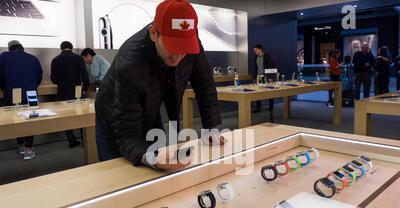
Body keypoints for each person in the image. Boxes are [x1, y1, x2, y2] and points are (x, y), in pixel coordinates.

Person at [95, 0, 225, 171]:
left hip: (149, 109)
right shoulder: (130, 62)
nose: (178, 57)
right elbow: (126, 133)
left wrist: (212, 128)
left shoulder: (191, 42)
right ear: (153, 34)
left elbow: (204, 83)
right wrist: (151, 159)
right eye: (173, 48)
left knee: (163, 165)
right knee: (119, 176)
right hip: (114, 118)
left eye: (184, 48)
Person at [0, 40, 42, 160]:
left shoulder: (3, 57)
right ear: (22, 48)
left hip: (11, 94)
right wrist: (32, 85)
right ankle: (29, 150)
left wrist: (4, 87)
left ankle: (21, 146)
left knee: (15, 120)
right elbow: (39, 76)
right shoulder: (33, 58)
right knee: (30, 120)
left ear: (10, 48)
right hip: (31, 94)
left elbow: (0, 76)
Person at [51, 41, 89, 148]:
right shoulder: (78, 59)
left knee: (66, 116)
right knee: (81, 115)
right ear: (71, 48)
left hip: (63, 91)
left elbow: (53, 79)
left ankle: (71, 140)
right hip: (77, 91)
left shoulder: (55, 60)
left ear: (61, 48)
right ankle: (85, 140)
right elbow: (85, 77)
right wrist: (84, 89)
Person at [252, 44, 274, 119]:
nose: (255, 51)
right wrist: (254, 77)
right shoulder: (256, 58)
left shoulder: (267, 56)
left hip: (266, 77)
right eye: (254, 50)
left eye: (256, 50)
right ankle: (258, 107)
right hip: (259, 77)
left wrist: (270, 77)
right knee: (258, 92)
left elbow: (271, 66)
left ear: (260, 49)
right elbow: (255, 68)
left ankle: (271, 106)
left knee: (269, 91)